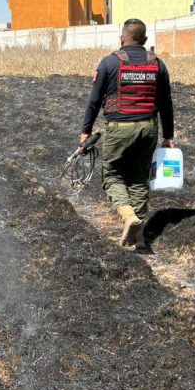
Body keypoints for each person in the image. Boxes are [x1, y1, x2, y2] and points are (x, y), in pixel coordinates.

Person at [79, 18, 175, 247]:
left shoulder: (109, 63)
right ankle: (139, 237)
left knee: (113, 176)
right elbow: (166, 103)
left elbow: (94, 100)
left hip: (119, 129)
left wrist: (86, 131)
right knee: (139, 178)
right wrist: (168, 136)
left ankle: (129, 216)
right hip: (148, 128)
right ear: (145, 39)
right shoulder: (158, 64)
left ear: (122, 38)